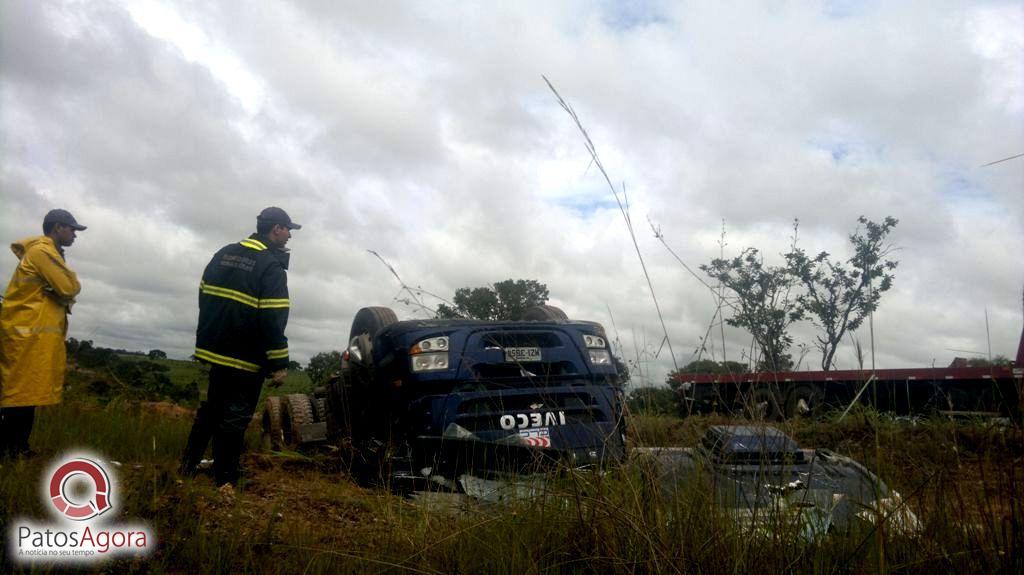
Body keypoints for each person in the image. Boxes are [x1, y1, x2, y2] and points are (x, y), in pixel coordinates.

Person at [179, 207, 300, 485]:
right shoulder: (270, 265)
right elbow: (273, 316)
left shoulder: (224, 253)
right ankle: (225, 480)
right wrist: (279, 362)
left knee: (210, 411)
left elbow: (204, 294)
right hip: (246, 356)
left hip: (216, 350)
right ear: (276, 229)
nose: (290, 235)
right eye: (287, 229)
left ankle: (187, 467)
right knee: (236, 417)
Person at [0, 209, 86, 458]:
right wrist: (67, 288)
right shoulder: (42, 252)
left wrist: (62, 290)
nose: (75, 235)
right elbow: (70, 287)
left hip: (30, 334)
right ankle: (10, 449)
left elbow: (64, 289)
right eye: (72, 229)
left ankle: (16, 447)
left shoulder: (49, 253)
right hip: (26, 334)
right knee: (20, 395)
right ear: (57, 227)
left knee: (27, 393)